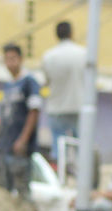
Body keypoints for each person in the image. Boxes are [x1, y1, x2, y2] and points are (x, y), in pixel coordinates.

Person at [0, 42, 41, 200]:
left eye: (13, 58)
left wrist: (23, 139)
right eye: (7, 59)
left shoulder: (29, 82)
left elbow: (34, 111)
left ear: (21, 59)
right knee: (4, 193)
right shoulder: (8, 85)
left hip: (20, 149)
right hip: (5, 145)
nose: (10, 63)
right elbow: (5, 115)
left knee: (22, 195)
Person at [41, 20, 85, 163]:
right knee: (80, 147)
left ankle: (60, 173)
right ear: (71, 33)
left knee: (58, 149)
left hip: (56, 108)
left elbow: (46, 81)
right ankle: (81, 173)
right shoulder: (82, 53)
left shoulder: (49, 56)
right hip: (78, 107)